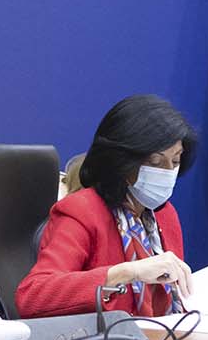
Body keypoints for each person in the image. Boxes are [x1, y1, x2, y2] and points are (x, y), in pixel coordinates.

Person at [17, 95, 196, 318]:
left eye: (176, 161)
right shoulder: (82, 210)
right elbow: (33, 296)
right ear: (122, 161)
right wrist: (128, 272)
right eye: (155, 162)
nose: (167, 171)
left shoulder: (165, 215)